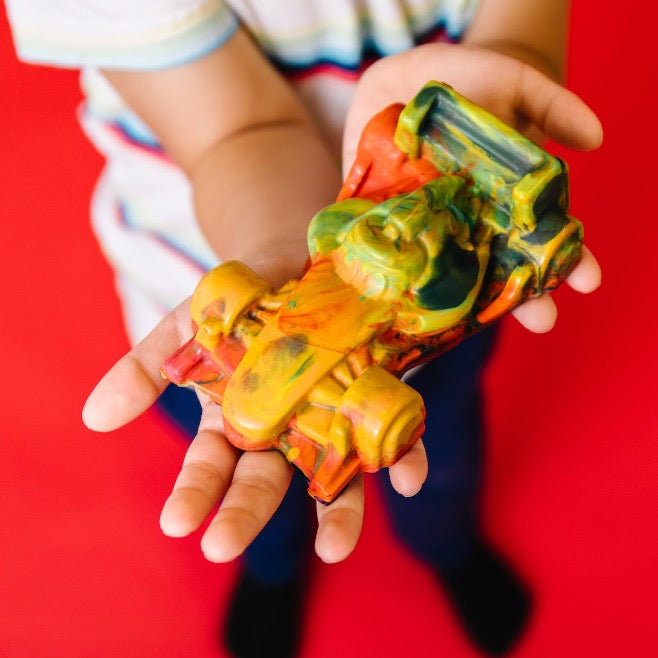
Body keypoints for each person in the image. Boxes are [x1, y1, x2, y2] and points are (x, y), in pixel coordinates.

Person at [6, 1, 603, 656]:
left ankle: (447, 546)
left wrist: (508, 72)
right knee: (247, 495)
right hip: (207, 253)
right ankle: (273, 570)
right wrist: (278, 262)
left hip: (423, 318)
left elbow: (523, 23)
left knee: (446, 456)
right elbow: (238, 131)